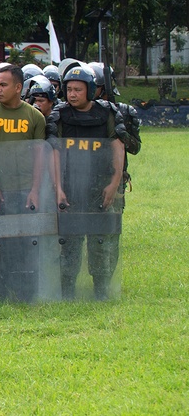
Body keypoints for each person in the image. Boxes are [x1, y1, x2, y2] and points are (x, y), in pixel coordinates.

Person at [0, 64, 48, 302]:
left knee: (26, 244)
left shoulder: (34, 116)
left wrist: (35, 190)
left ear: (19, 87)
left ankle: (27, 294)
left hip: (25, 190)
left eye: (3, 85)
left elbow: (40, 155)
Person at [56, 63, 125, 300]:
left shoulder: (107, 114)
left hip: (100, 185)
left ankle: (101, 291)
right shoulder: (60, 116)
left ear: (91, 89)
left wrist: (115, 182)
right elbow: (53, 153)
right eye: (69, 89)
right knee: (70, 241)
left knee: (100, 239)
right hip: (70, 185)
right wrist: (58, 189)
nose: (72, 94)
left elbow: (118, 145)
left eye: (78, 89)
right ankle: (67, 291)